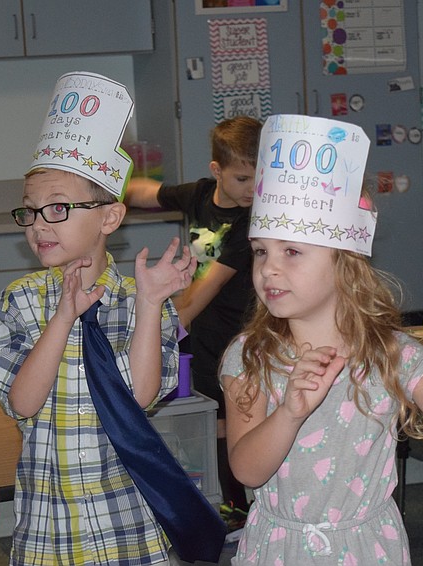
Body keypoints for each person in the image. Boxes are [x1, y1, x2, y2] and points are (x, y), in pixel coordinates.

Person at [219, 115, 423, 564]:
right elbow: (246, 470)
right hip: (279, 550)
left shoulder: (393, 354)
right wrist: (290, 415)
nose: (269, 268)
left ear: (345, 263)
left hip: (367, 551)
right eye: (262, 251)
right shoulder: (250, 356)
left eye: (292, 251)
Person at [0, 72, 197, 565]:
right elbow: (22, 401)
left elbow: (141, 396)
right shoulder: (17, 301)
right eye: (31, 211)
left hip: (127, 524)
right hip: (49, 530)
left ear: (109, 218)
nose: (40, 224)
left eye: (58, 208)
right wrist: (62, 319)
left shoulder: (140, 299)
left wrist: (149, 307)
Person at [125, 115, 263, 523]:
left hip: (240, 336)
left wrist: (153, 333)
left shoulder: (248, 223)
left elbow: (205, 289)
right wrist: (107, 189)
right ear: (217, 172)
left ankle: (239, 508)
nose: (253, 190)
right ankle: (221, 501)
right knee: (207, 420)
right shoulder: (201, 195)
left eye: (260, 179)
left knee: (230, 421)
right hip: (202, 335)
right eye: (242, 179)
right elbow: (149, 192)